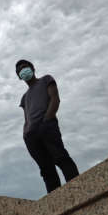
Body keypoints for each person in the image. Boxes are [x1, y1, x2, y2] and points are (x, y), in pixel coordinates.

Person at [16, 59, 79, 193]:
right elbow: (26, 117)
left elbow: (55, 98)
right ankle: (55, 200)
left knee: (60, 157)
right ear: (19, 76)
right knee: (46, 169)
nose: (23, 70)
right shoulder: (24, 97)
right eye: (20, 70)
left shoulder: (46, 80)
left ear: (32, 68)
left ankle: (77, 189)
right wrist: (26, 133)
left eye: (25, 67)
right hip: (31, 136)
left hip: (47, 126)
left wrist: (47, 119)